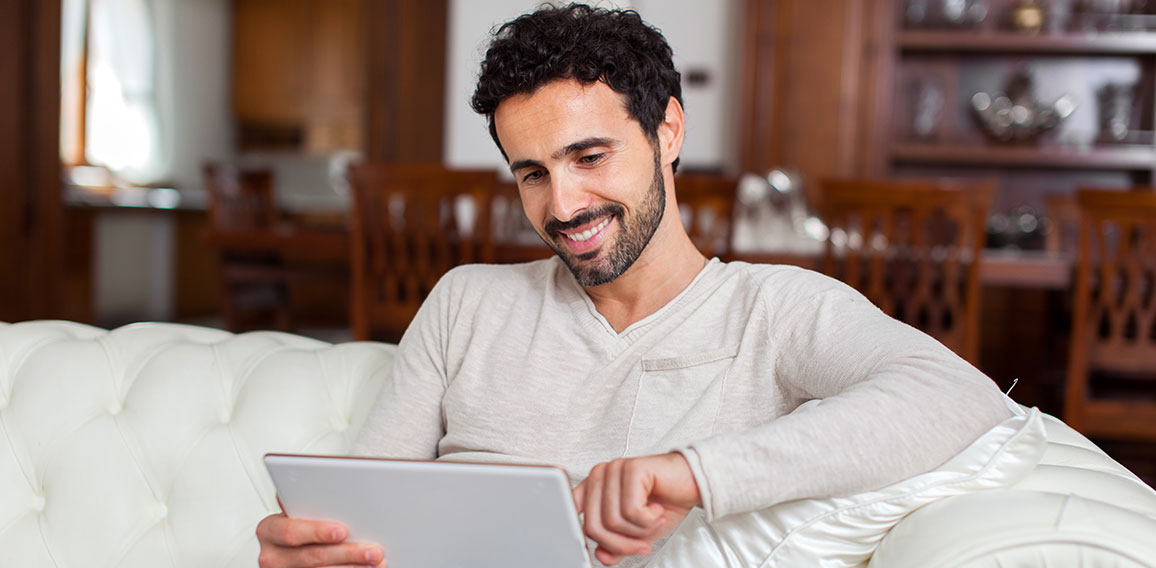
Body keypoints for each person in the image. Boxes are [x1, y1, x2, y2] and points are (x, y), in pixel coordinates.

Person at [256, 4, 1013, 567]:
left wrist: (691, 473)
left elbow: (957, 397)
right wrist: (315, 548)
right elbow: (370, 507)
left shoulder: (773, 310)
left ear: (669, 132)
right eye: (533, 174)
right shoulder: (465, 303)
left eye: (589, 156)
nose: (563, 206)